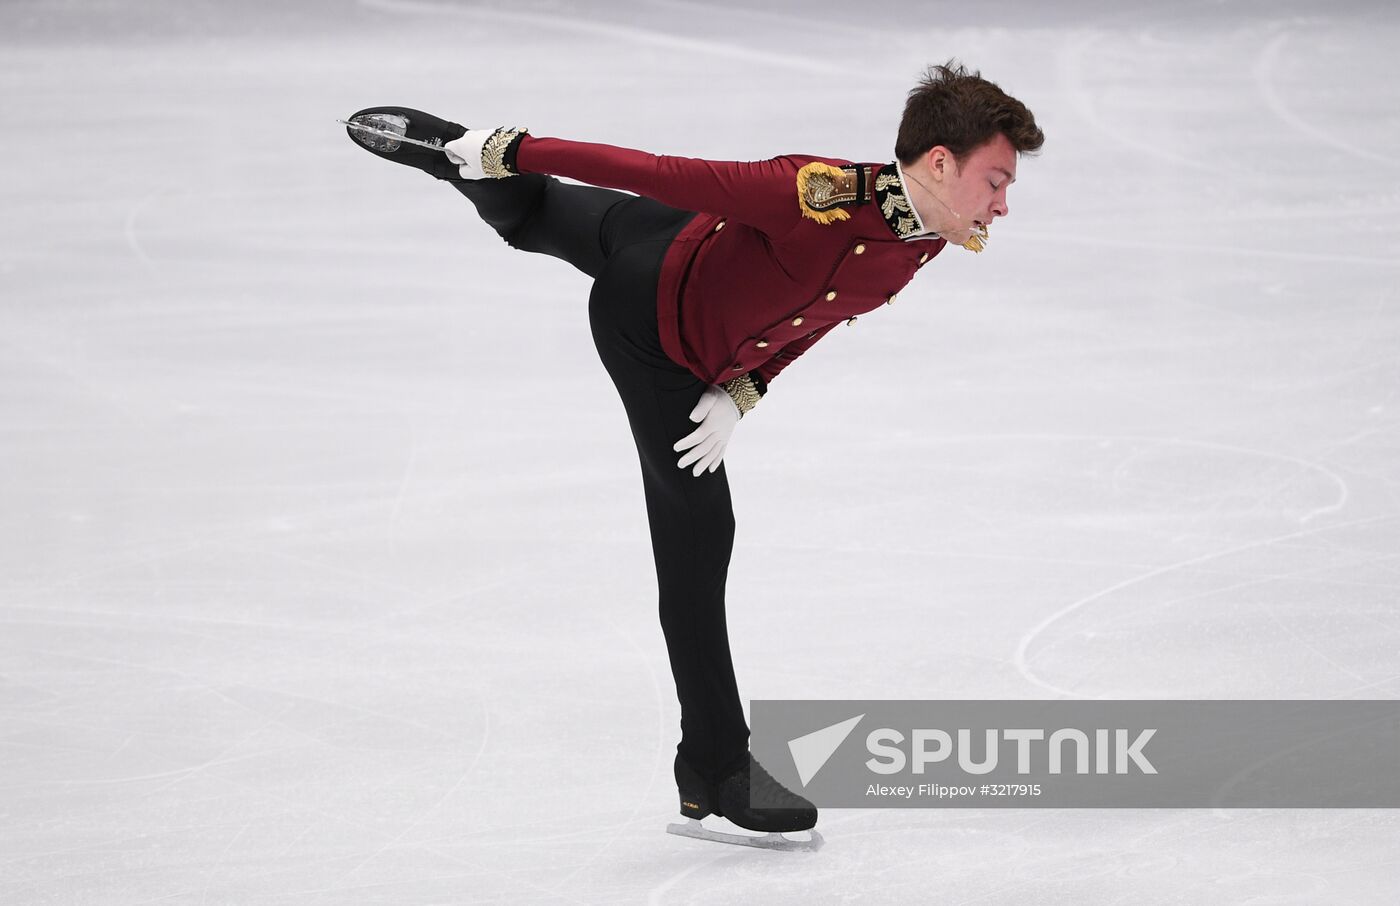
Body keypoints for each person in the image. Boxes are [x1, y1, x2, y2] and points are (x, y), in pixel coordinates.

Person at [343, 60, 1043, 845]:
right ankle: (714, 766)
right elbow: (658, 171)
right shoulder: (811, 193)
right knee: (700, 535)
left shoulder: (927, 236)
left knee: (542, 218)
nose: (1003, 205)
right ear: (941, 164)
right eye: (995, 181)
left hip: (677, 249)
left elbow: (818, 315)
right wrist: (512, 145)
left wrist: (746, 392)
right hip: (651, 334)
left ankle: (457, 163)